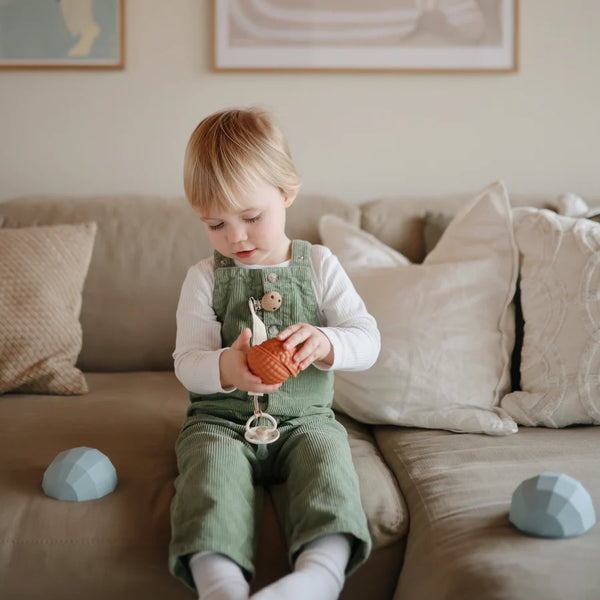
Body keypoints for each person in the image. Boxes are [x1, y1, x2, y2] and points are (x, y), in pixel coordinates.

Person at [169, 107, 380, 600]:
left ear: (286, 193)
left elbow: (367, 339)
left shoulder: (320, 265)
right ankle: (220, 585)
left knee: (329, 475)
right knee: (208, 483)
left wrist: (328, 343)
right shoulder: (204, 278)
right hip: (219, 421)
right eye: (215, 223)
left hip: (306, 419)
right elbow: (187, 361)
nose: (235, 237)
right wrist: (225, 366)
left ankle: (317, 578)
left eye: (251, 217)